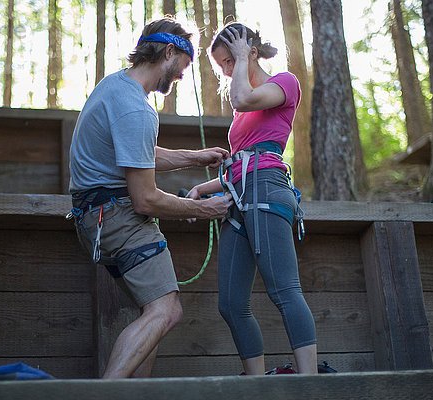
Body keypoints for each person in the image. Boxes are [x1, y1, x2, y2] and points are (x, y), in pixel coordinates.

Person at [68, 17, 233, 379]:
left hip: (96, 220)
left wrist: (194, 156)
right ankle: (105, 393)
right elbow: (145, 200)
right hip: (120, 219)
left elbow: (134, 152)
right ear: (169, 52)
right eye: (183, 68)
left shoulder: (115, 87)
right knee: (166, 311)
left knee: (154, 316)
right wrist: (205, 207)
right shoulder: (136, 108)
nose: (180, 78)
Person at [187, 22, 318, 375]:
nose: (228, 72)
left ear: (251, 53)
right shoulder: (242, 109)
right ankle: (257, 384)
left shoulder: (284, 83)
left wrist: (243, 59)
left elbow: (242, 97)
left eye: (230, 61)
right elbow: (240, 164)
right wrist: (203, 189)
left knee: (284, 291)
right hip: (240, 196)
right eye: (223, 66)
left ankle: (312, 384)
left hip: (268, 189)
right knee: (231, 304)